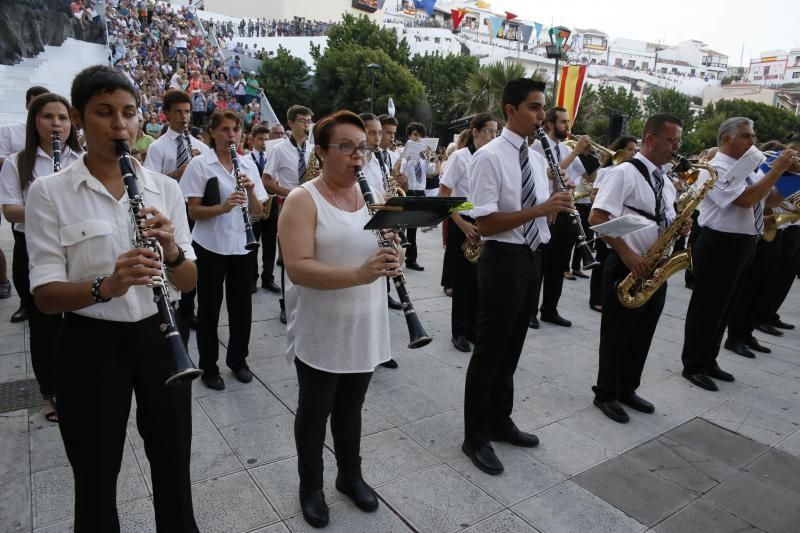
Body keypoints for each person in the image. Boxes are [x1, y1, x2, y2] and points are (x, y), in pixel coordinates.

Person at [25, 65, 199, 532]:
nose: (120, 124)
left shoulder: (165, 188)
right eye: (104, 113)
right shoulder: (48, 193)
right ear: (80, 119)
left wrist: (172, 250)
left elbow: (188, 280)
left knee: (173, 463)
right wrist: (108, 285)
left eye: (128, 112)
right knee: (96, 473)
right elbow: (44, 296)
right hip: (90, 342)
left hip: (161, 339)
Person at [279, 111, 399, 528]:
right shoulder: (302, 199)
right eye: (345, 147)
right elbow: (297, 267)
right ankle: (310, 485)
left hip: (365, 320)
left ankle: (350, 475)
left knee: (352, 406)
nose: (357, 156)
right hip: (322, 323)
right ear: (320, 152)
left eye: (362, 147)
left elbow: (380, 248)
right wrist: (359, 274)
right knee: (315, 410)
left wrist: (392, 254)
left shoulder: (372, 193)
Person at [463, 78, 574, 476]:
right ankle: (475, 437)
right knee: (490, 351)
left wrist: (557, 206)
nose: (542, 116)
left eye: (543, 108)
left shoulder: (536, 156)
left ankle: (500, 420)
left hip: (531, 257)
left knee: (512, 350)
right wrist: (542, 206)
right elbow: (487, 222)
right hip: (502, 258)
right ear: (510, 110)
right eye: (534, 107)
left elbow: (538, 212)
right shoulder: (489, 157)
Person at [680, 118, 797, 391]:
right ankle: (694, 364)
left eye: (752, 136)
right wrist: (776, 170)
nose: (752, 142)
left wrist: (791, 178)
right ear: (725, 139)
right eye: (746, 136)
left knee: (726, 305)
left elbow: (767, 200)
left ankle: (709, 359)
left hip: (742, 242)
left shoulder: (745, 168)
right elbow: (744, 200)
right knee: (707, 306)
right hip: (719, 242)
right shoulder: (716, 167)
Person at [588, 115, 687, 423]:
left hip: (655, 266)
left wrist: (680, 224)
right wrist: (628, 253)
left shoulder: (666, 181)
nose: (676, 147)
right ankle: (606, 393)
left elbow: (662, 216)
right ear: (649, 140)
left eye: (677, 141)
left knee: (643, 332)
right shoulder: (624, 174)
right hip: (627, 263)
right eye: (671, 141)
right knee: (618, 333)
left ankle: (628, 388)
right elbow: (597, 218)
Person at [0, 92, 82, 423]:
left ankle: (77, 384)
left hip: (75, 248)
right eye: (48, 117)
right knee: (44, 325)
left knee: (77, 324)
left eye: (62, 117)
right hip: (32, 248)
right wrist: (49, 207)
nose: (56, 124)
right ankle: (50, 393)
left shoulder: (80, 158)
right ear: (36, 121)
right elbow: (10, 212)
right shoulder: (17, 162)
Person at [180, 109, 268, 390]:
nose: (231, 135)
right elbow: (193, 211)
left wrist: (251, 192)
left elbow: (260, 212)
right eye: (225, 130)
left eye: (235, 130)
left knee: (241, 308)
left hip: (243, 245)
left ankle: (238, 361)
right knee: (209, 308)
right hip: (209, 246)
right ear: (212, 133)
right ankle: (208, 367)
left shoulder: (247, 163)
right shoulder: (200, 165)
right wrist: (222, 207)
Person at [144, 89, 210, 328]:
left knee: (191, 259)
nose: (184, 117)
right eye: (178, 112)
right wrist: (179, 172)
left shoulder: (200, 147)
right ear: (166, 115)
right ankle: (169, 302)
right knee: (173, 256)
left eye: (187, 112)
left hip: (195, 209)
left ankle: (188, 307)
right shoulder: (158, 147)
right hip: (171, 209)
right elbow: (149, 181)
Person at [439, 113, 498, 353]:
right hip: (463, 220)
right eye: (489, 132)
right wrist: (461, 222)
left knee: (480, 281)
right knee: (463, 280)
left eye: (496, 133)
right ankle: (460, 331)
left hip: (485, 223)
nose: (493, 137)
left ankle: (474, 327)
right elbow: (444, 195)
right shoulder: (459, 158)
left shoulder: (494, 159)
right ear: (474, 132)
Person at [530, 107, 591, 328]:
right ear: (550, 124)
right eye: (563, 122)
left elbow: (588, 176)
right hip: (545, 210)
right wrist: (575, 153)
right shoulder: (538, 145)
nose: (568, 126)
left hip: (564, 209)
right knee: (540, 266)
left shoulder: (565, 148)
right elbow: (548, 172)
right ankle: (530, 312)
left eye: (568, 122)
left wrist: (587, 155)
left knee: (558, 265)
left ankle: (550, 309)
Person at [0, 85, 50, 323]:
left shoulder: (76, 154)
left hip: (59, 229)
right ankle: (26, 303)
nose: (53, 121)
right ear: (28, 105)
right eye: (44, 113)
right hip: (27, 221)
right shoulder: (11, 134)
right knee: (24, 269)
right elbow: (11, 212)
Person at [263, 105, 315, 325]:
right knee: (288, 259)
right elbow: (266, 181)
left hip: (312, 208)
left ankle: (306, 301)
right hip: (288, 207)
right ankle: (286, 304)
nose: (307, 125)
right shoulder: (279, 149)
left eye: (309, 121)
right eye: (302, 121)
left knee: (310, 256)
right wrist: (293, 192)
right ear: (291, 124)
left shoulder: (313, 150)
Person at [588, 136, 638, 312]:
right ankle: (596, 298)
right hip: (606, 220)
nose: (634, 153)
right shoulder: (607, 171)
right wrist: (607, 198)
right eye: (630, 149)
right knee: (601, 260)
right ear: (620, 150)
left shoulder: (633, 172)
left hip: (621, 225)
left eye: (635, 150)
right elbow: (593, 196)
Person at [247, 124, 280, 293]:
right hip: (254, 204)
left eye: (267, 139)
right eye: (260, 139)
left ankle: (268, 277)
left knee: (269, 243)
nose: (264, 143)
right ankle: (252, 278)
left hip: (271, 203)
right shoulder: (246, 159)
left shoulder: (273, 158)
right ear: (252, 140)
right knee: (254, 242)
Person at [401, 121, 434, 271]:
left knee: (413, 227)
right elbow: (401, 171)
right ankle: (398, 255)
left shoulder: (423, 155)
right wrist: (408, 158)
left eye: (420, 136)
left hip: (420, 191)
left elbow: (431, 171)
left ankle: (411, 259)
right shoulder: (402, 152)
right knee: (400, 225)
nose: (417, 138)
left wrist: (431, 157)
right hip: (406, 190)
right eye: (415, 135)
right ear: (409, 135)